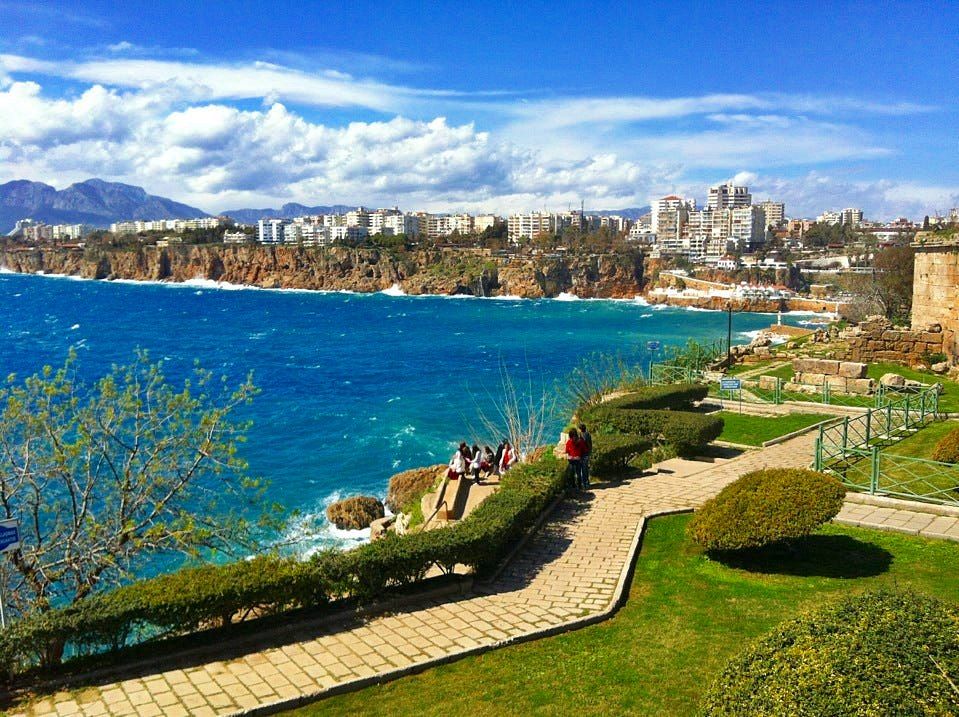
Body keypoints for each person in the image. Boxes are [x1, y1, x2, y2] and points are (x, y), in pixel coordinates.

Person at [565, 427, 585, 491]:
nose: (573, 439)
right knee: (574, 473)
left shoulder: (579, 442)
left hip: (576, 460)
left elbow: (584, 450)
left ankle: (577, 486)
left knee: (576, 473)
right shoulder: (570, 442)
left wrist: (578, 456)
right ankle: (576, 486)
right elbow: (567, 451)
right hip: (574, 460)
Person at [578, 422, 593, 488]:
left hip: (580, 454)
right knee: (585, 469)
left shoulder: (579, 436)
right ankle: (586, 484)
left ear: (580, 429)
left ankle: (581, 484)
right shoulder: (588, 434)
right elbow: (590, 445)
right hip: (586, 454)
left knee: (580, 470)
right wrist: (589, 452)